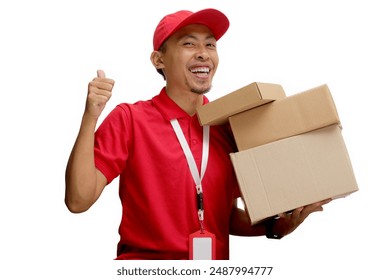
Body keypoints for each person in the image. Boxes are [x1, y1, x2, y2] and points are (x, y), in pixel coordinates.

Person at [65, 8, 331, 260]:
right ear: (159, 59)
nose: (203, 54)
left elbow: (223, 217)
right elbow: (78, 201)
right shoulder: (130, 119)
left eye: (210, 45)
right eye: (189, 44)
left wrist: (275, 227)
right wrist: (91, 116)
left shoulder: (228, 126)